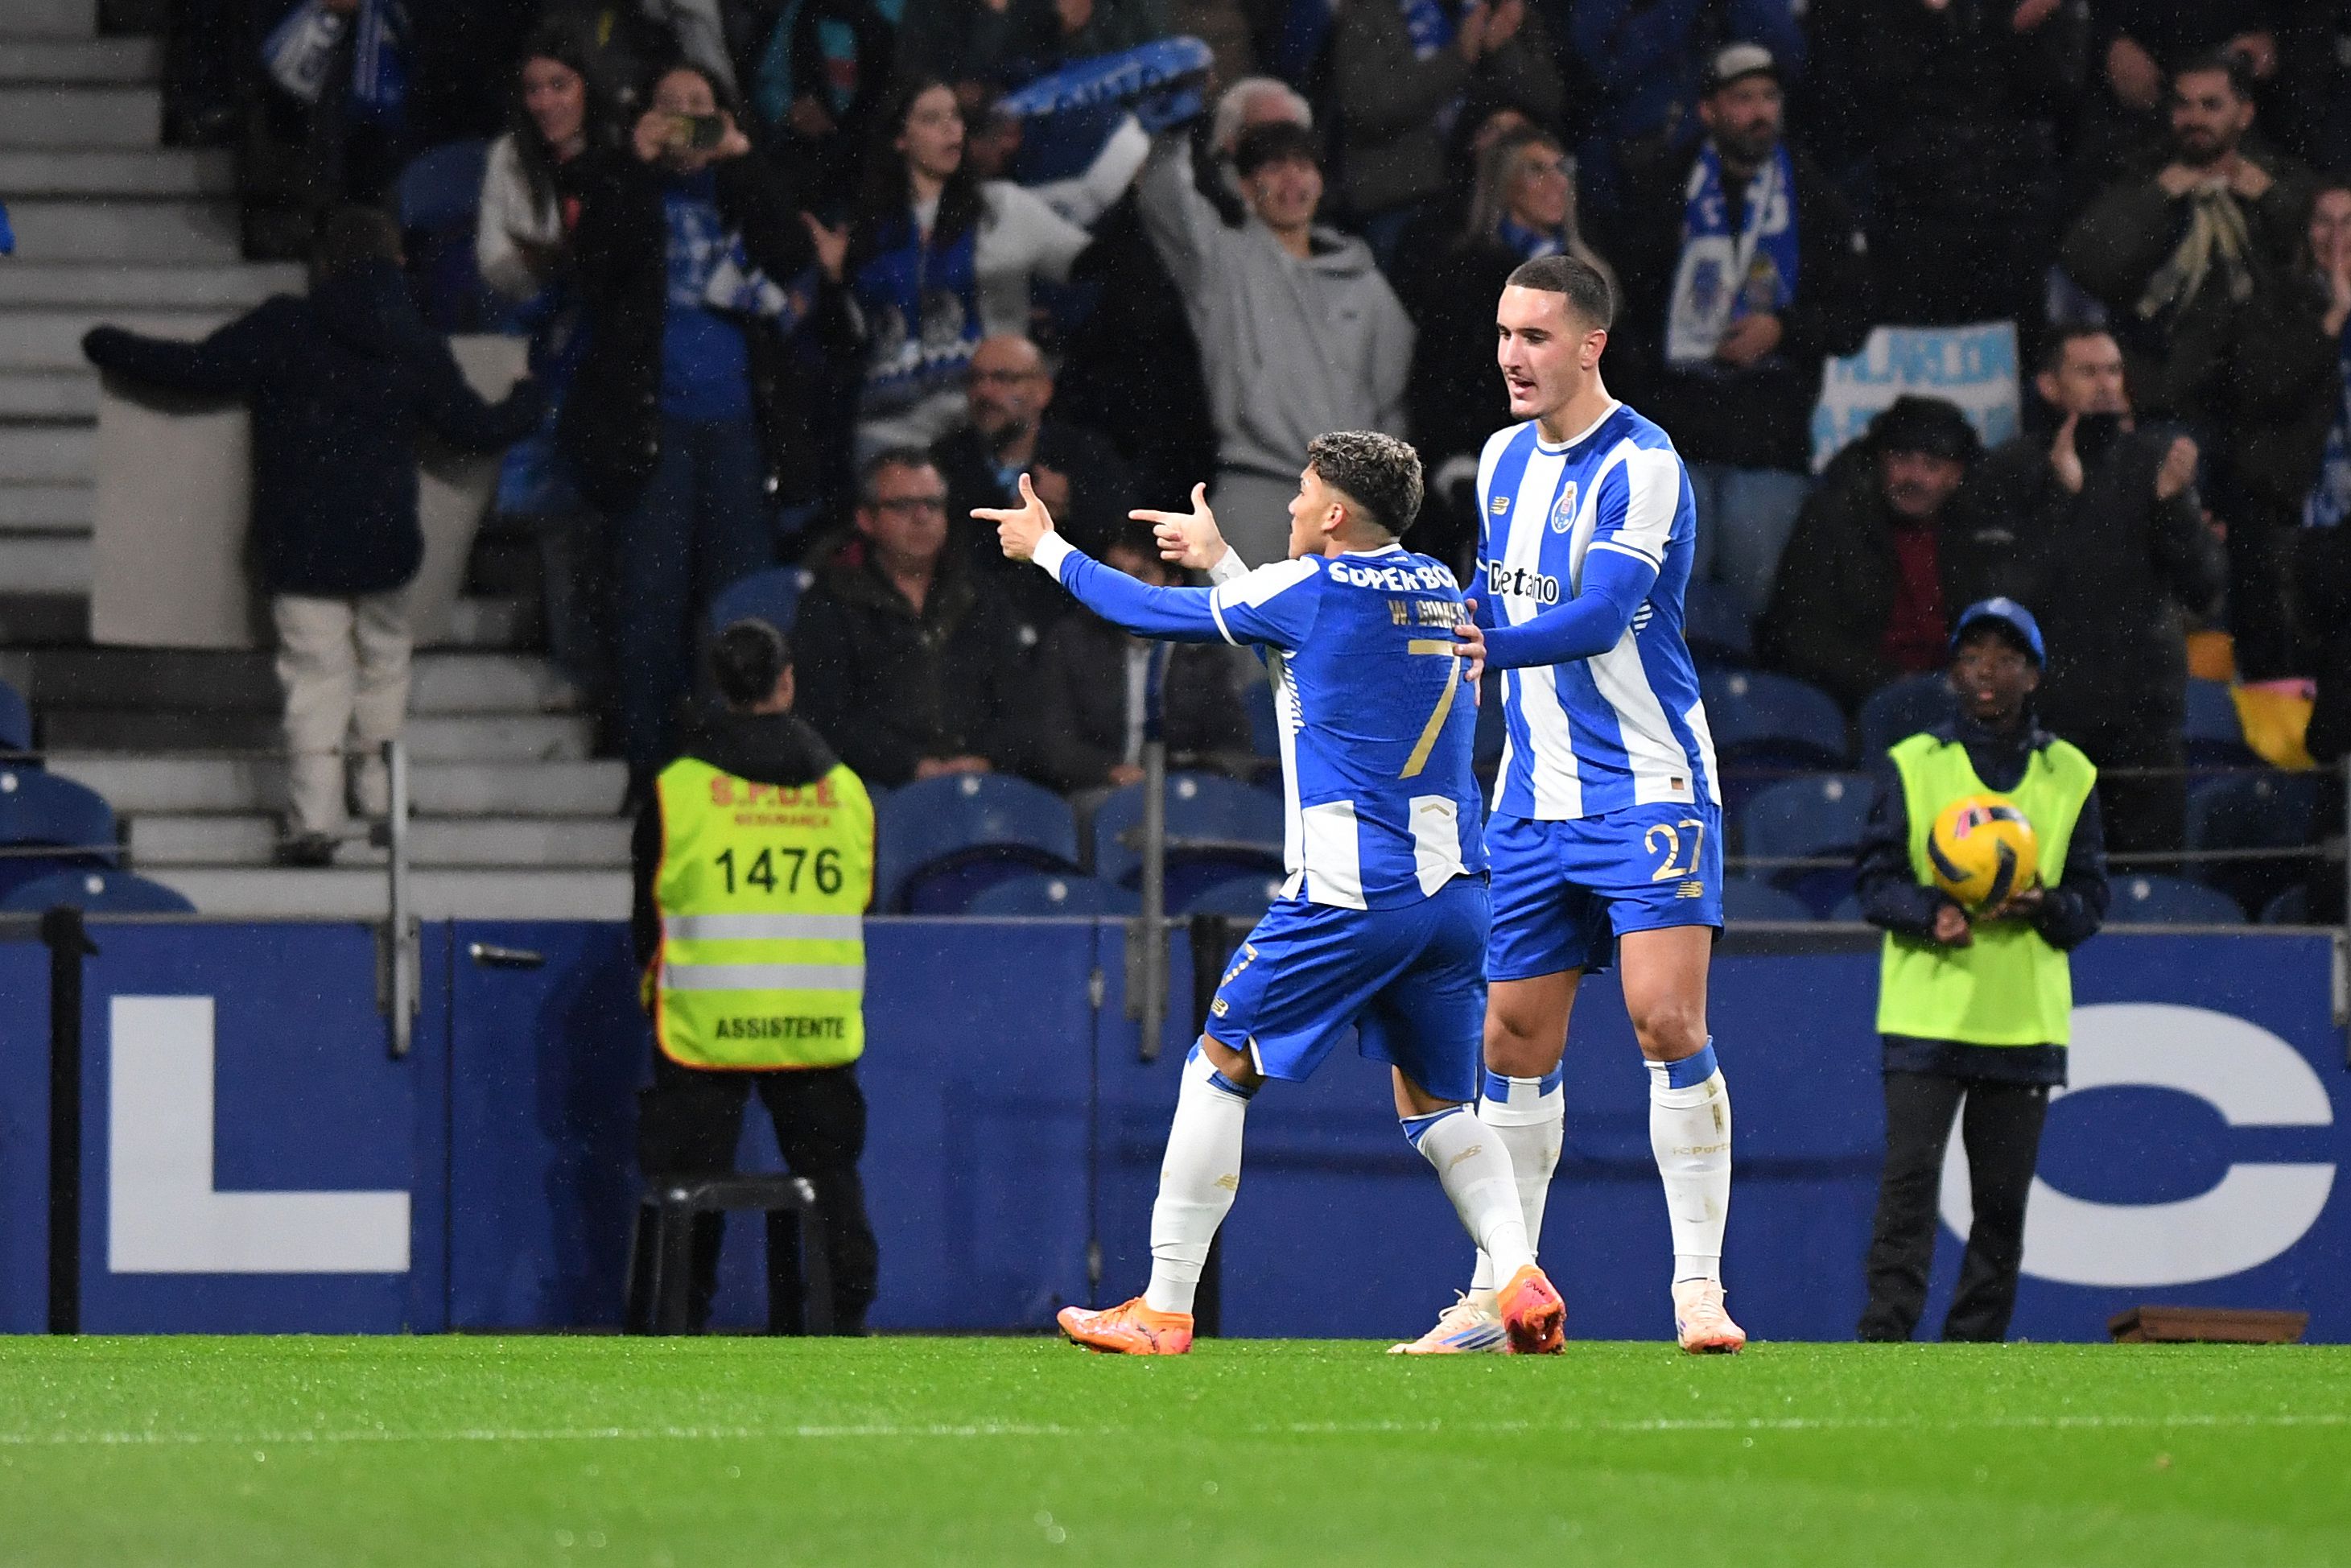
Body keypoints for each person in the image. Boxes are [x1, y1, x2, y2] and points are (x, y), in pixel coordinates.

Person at [984, 432, 1565, 1356]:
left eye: (1301, 491)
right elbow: (1306, 638)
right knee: (1437, 1107)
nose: (1290, 505)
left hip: (1347, 893)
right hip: (1455, 894)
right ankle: (1515, 1273)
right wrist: (1221, 560)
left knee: (1217, 1066)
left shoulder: (1309, 590)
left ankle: (1163, 1307)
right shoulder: (1433, 584)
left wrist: (1046, 547)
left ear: (1333, 513)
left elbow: (1146, 610)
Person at [1417, 252, 1747, 1355]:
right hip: (1529, 799)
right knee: (1510, 1038)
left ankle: (1696, 1291)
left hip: (1647, 785)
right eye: (1503, 334)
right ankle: (1499, 1295)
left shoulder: (1643, 463)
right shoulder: (1501, 458)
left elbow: (1603, 613)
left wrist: (1485, 646)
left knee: (1666, 1019)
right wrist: (1440, 620)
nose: (1511, 356)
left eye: (1535, 337)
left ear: (1589, 344)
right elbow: (1490, 593)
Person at [81, 207, 544, 864]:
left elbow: (194, 369)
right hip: (385, 544)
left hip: (299, 543)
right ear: (397, 263)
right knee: (383, 669)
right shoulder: (413, 341)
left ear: (325, 264)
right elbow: (476, 431)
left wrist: (107, 344)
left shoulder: (284, 326)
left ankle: (315, 823)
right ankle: (382, 801)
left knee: (315, 681)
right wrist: (529, 397)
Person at [1854, 598, 2109, 1343]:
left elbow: (2090, 901)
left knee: (2000, 1203)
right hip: (1925, 1017)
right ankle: (1885, 1338)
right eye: (1970, 658)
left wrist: (2044, 905)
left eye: (2003, 658)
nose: (1985, 673)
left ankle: (1975, 1345)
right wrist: (1931, 911)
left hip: (2020, 1019)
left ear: (2033, 674)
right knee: (1907, 1188)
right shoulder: (1914, 764)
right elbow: (1873, 882)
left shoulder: (2071, 773)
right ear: (1951, 674)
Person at [561, 62, 819, 794]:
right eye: (667, 105)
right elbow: (592, 269)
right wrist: (632, 165)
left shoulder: (741, 187)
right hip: (655, 428)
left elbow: (792, 255)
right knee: (650, 602)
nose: (683, 119)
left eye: (699, 106)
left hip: (738, 427)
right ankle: (650, 771)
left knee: (740, 605)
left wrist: (742, 160)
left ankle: (742, 764)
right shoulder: (618, 184)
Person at [632, 618, 881, 1335]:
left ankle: (682, 1321)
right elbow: (859, 898)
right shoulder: (846, 790)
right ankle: (841, 1322)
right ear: (788, 681)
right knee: (832, 1181)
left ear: (719, 686)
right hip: (816, 1025)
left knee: (691, 1185)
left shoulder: (679, 789)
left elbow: (648, 916)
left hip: (704, 1022)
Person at [1624, 43, 1873, 621]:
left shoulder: (1813, 194)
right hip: (1674, 439)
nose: (1760, 112)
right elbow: (1626, 309)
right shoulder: (1662, 188)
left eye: (1768, 97)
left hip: (1767, 443)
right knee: (1666, 619)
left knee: (1756, 612)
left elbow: (1853, 314)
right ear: (1708, 110)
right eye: (1743, 99)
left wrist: (1782, 328)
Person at [1956, 326, 2224, 860]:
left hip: (2145, 719)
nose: (2105, 384)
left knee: (2151, 878)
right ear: (2049, 385)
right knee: (2049, 874)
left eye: (2113, 370)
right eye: (2087, 371)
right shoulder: (2010, 470)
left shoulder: (2153, 465)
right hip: (2050, 719)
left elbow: (2205, 590)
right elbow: (2002, 601)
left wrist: (2173, 507)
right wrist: (2062, 496)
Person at [1136, 118, 1415, 565]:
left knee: (1347, 615)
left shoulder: (1365, 283)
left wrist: (1380, 491)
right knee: (1239, 613)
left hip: (1348, 498)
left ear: (1321, 181)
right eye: (1274, 166)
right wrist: (1175, 125)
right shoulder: (1222, 261)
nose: (1291, 179)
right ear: (1244, 185)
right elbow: (1165, 196)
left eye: (1303, 166)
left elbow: (1393, 398)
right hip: (1255, 487)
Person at [808, 78, 1094, 456]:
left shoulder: (1001, 208)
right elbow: (847, 344)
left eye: (956, 117)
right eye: (932, 119)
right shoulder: (868, 231)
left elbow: (1091, 265)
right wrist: (833, 278)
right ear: (899, 139)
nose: (951, 129)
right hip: (888, 433)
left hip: (984, 421)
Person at [1398, 125, 1616, 569]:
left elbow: (1618, 380)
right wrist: (1455, 463)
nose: (1556, 181)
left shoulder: (1596, 278)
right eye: (1537, 169)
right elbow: (1439, 380)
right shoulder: (1464, 274)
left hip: (1584, 470)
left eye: (1562, 168)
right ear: (1503, 182)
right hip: (1489, 473)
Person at [2060, 52, 2311, 438]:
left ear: (2245, 114)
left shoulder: (2282, 181)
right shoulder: (2139, 179)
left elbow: (2319, 261)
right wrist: (2156, 198)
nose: (2195, 119)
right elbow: (2088, 265)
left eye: (2211, 106)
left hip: (2270, 397)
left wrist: (2271, 198)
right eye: (2183, 105)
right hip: (2164, 397)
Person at [1804, 0, 2071, 327]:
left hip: (2009, 208)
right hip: (1904, 208)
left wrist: (2018, 28)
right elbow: (1845, 105)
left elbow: (2058, 97)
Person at [793, 449, 1027, 790]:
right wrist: (908, 765)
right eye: (903, 506)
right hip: (875, 784)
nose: (921, 517)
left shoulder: (981, 595)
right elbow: (824, 716)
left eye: (932, 504)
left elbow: (1021, 702)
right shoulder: (832, 600)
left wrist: (987, 758)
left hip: (984, 777)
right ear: (866, 519)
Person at [1757, 396, 2007, 712]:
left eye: (1931, 466)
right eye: (1902, 460)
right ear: (1880, 461)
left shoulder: (1979, 530)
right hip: (1856, 701)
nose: (1913, 478)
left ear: (1956, 475)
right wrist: (1891, 683)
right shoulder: (1835, 519)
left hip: (1962, 699)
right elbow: (1801, 636)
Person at [1326, 0, 1565, 262]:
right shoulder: (1371, 13)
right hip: (1406, 204)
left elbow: (1549, 102)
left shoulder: (1496, 7)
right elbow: (1368, 108)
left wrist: (1504, 48)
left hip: (1495, 200)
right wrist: (1457, 57)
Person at [1022, 519, 1250, 791]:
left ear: (1174, 584)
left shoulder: (1202, 649)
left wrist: (1182, 783)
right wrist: (1109, 771)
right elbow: (1053, 743)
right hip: (1096, 790)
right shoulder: (1071, 640)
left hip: (1183, 793)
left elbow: (1233, 748)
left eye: (1141, 575)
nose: (1125, 588)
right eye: (1115, 574)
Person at [930, 333, 1139, 623]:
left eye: (1003, 378)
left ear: (1043, 391)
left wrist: (1073, 506)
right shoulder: (942, 463)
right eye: (975, 379)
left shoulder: (1086, 457)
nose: (984, 392)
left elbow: (1129, 541)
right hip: (976, 623)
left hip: (1075, 624)